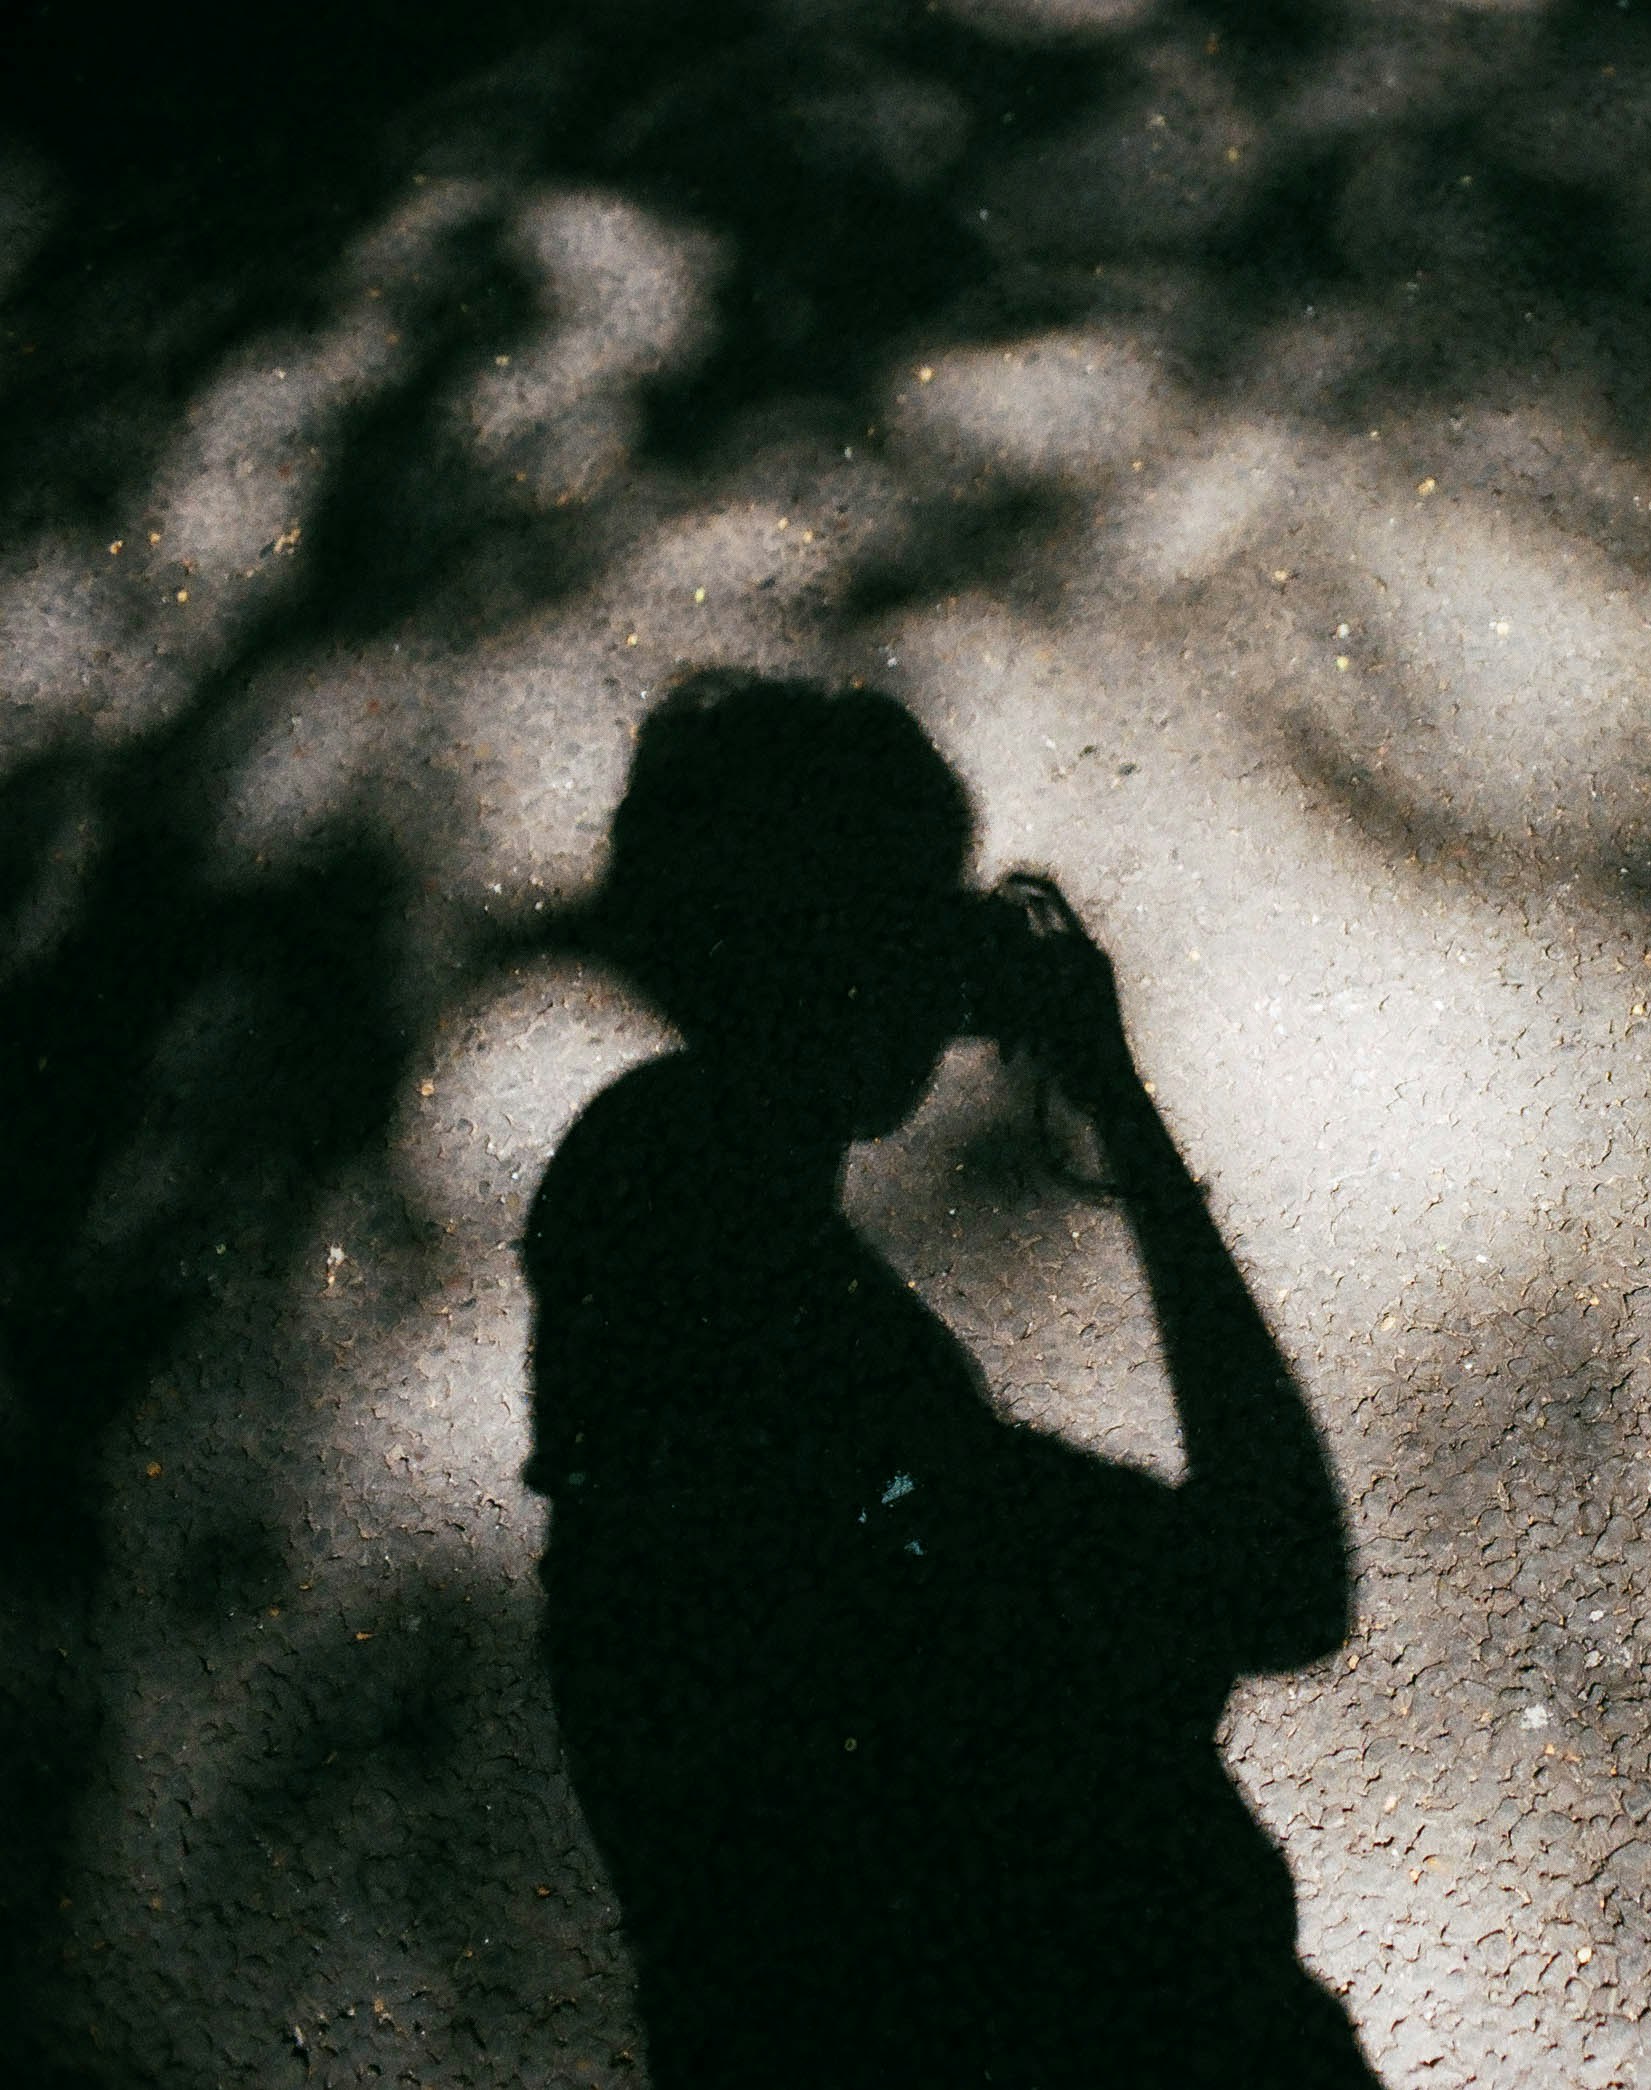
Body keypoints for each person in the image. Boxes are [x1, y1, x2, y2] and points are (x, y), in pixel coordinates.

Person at [521, 670, 1374, 2087]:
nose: (958, 944)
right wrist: (1123, 1110)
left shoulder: (733, 1399)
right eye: (921, 898)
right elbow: (1274, 1574)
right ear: (821, 938)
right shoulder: (787, 1390)